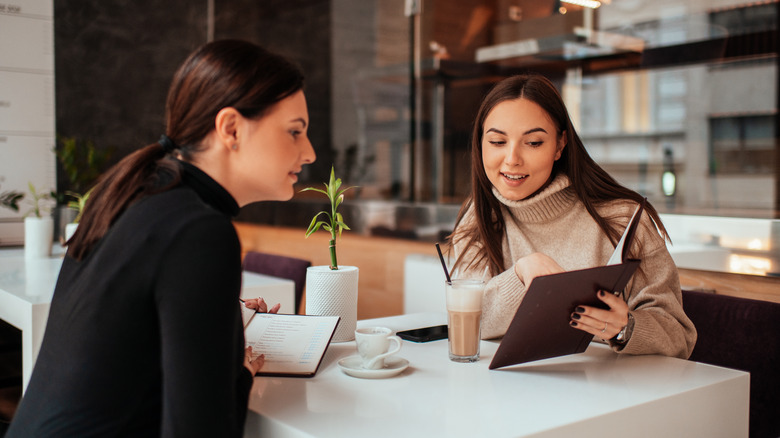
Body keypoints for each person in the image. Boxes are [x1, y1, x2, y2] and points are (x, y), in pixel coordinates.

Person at [7, 39, 315, 437]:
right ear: (231, 129)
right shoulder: (199, 231)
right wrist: (239, 371)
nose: (308, 153)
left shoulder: (138, 193)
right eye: (294, 132)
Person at [448, 74, 696, 359]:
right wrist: (520, 275)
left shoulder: (621, 219)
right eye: (497, 141)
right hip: (507, 390)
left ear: (560, 145)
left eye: (533, 143)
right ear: (481, 144)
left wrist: (624, 328)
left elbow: (679, 337)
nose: (512, 159)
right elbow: (470, 321)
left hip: (608, 391)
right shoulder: (478, 215)